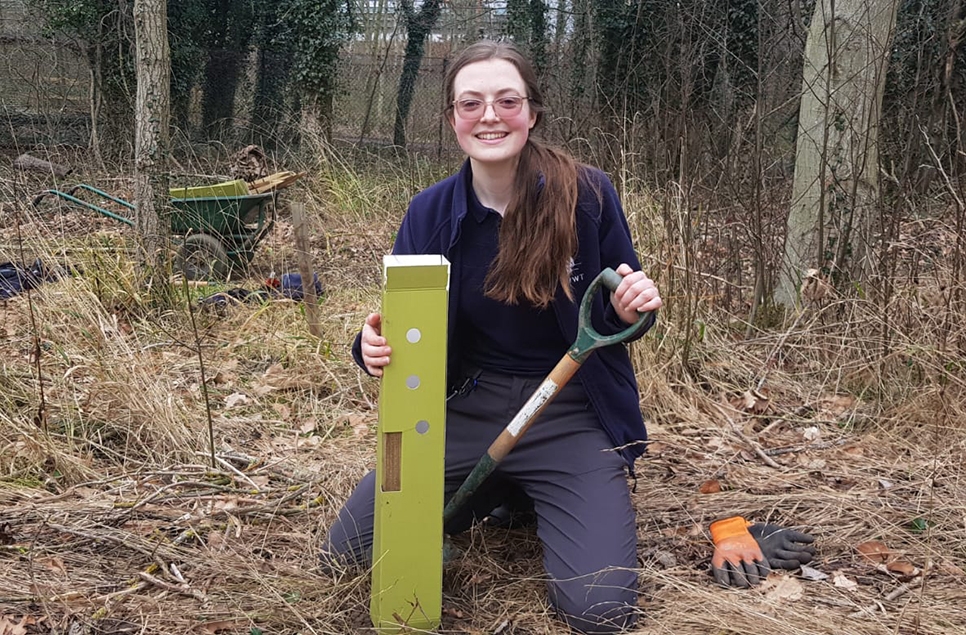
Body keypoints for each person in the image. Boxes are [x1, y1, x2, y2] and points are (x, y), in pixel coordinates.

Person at [322, 40, 663, 634]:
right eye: (471, 103)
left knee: (601, 612)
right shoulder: (428, 214)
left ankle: (532, 492)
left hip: (569, 409)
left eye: (508, 101)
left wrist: (634, 305)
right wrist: (370, 346)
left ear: (532, 112)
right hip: (465, 410)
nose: (489, 116)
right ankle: (505, 492)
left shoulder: (588, 195)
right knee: (348, 556)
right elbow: (401, 325)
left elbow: (616, 319)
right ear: (453, 118)